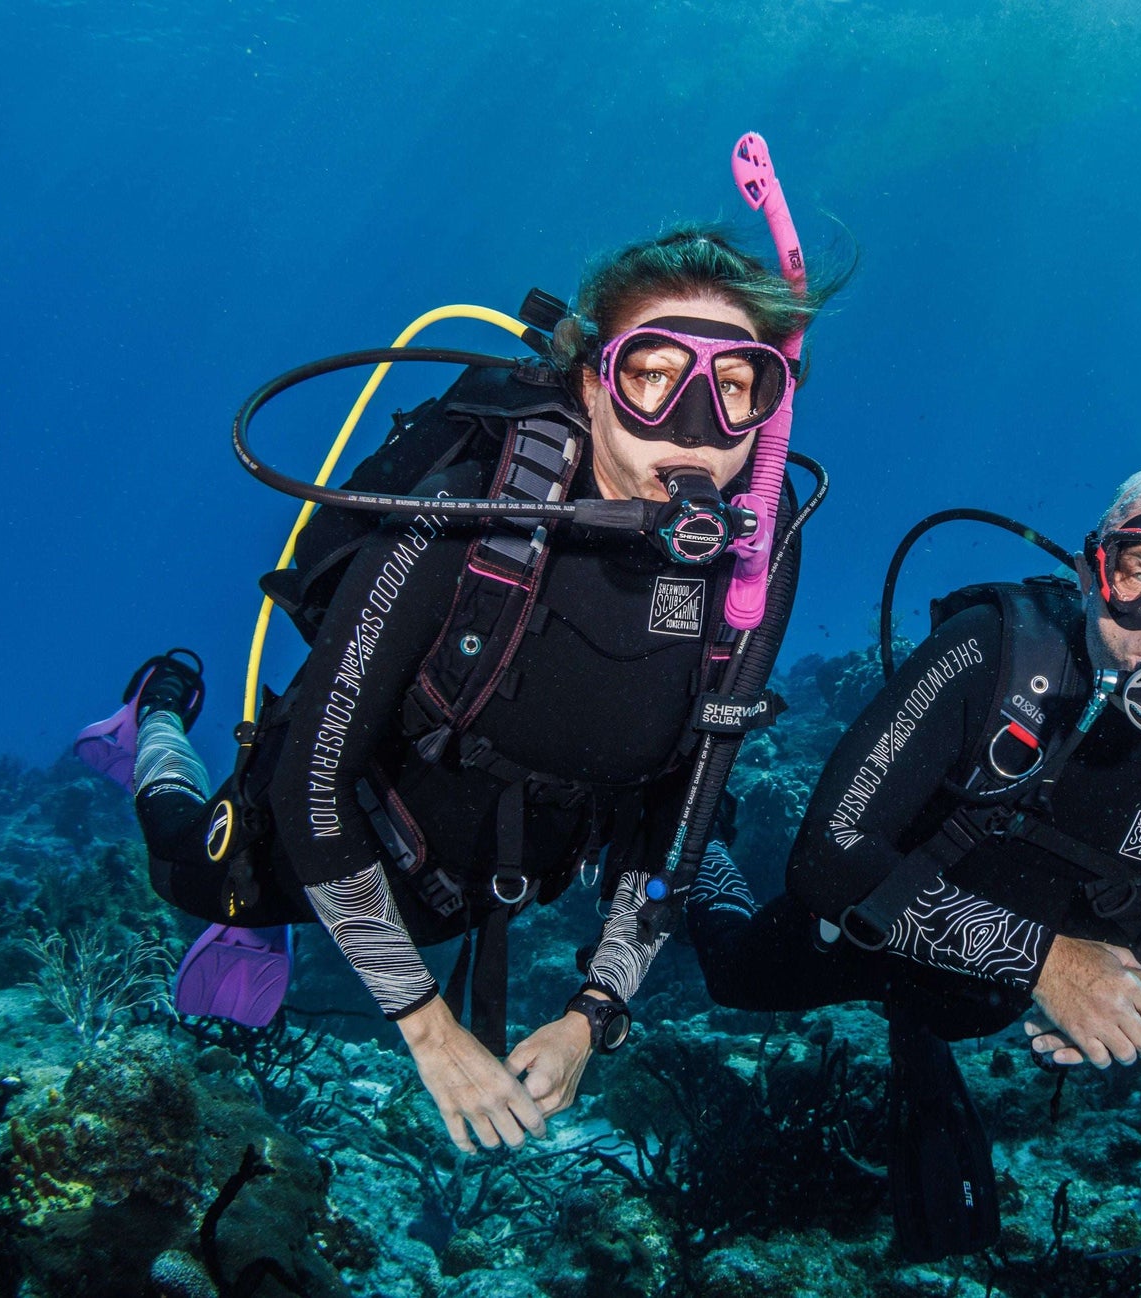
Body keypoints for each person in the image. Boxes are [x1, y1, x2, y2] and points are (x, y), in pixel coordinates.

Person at [80, 216, 848, 1156]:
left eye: (737, 388)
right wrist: (425, 1025)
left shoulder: (753, 566)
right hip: (350, 832)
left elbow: (680, 827)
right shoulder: (467, 519)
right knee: (190, 876)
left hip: (509, 871)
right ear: (591, 384)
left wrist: (593, 1013)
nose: (698, 429)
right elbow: (310, 779)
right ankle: (150, 723)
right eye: (653, 376)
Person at [688, 446, 1141, 1259]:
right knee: (734, 977)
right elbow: (825, 860)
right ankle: (700, 843)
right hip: (876, 927)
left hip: (992, 994)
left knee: (962, 1014)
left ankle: (919, 1033)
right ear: (1094, 572)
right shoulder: (993, 649)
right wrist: (1051, 966)